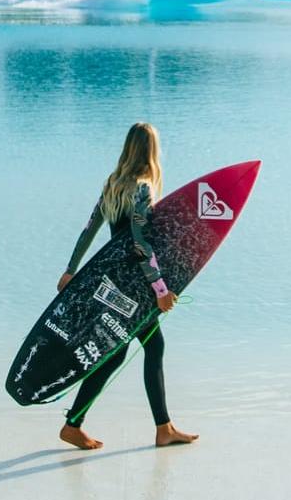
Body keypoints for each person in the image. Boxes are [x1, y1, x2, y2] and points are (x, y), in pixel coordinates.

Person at [55, 122, 199, 451]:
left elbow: (89, 229)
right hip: (136, 286)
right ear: (151, 150)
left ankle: (75, 424)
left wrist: (70, 270)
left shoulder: (113, 184)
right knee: (151, 347)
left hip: (112, 282)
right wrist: (160, 290)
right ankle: (162, 428)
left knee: (118, 354)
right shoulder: (143, 188)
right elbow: (139, 243)